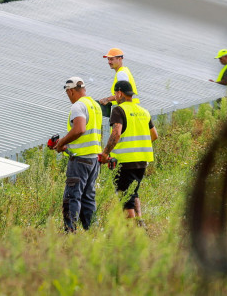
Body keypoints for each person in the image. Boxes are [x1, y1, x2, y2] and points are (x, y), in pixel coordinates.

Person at [99, 80, 158, 221]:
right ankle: (139, 222)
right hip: (142, 162)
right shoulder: (144, 111)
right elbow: (154, 135)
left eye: (115, 93)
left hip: (124, 162)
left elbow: (116, 133)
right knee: (133, 192)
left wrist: (105, 153)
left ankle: (132, 233)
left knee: (126, 198)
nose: (115, 96)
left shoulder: (119, 110)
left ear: (119, 93)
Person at [50, 76, 102, 232]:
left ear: (71, 91)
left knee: (72, 197)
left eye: (67, 93)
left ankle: (70, 233)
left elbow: (79, 129)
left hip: (80, 161)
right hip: (93, 160)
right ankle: (91, 231)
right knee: (88, 198)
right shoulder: (95, 105)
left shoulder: (78, 106)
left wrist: (62, 142)